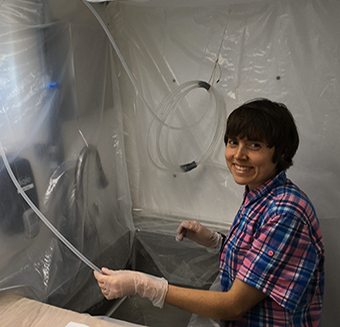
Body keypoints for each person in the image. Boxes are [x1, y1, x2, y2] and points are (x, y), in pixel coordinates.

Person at [94, 98, 325, 326]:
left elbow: (233, 306)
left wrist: (145, 285)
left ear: (282, 153)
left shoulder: (286, 214)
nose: (238, 155)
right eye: (233, 142)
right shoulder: (261, 193)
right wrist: (216, 242)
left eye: (254, 145)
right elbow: (258, 259)